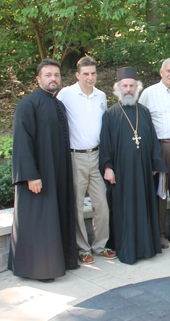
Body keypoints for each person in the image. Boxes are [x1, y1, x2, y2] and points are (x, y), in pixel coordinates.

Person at [9, 58, 79, 282]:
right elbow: (21, 143)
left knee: (56, 217)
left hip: (57, 174)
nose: (53, 79)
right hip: (39, 177)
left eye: (56, 75)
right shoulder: (27, 105)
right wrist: (31, 176)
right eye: (48, 75)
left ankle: (62, 261)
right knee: (40, 222)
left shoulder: (58, 104)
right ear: (38, 79)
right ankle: (39, 269)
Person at [99, 67, 167, 264]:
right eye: (124, 86)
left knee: (144, 205)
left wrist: (156, 162)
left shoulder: (144, 112)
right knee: (125, 208)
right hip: (122, 172)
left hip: (144, 170)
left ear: (137, 88)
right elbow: (105, 143)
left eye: (131, 85)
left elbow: (153, 140)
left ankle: (147, 247)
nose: (128, 89)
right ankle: (127, 249)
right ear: (118, 88)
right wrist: (108, 166)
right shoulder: (110, 114)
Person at [57, 56, 116, 264]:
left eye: (93, 73)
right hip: (76, 157)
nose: (90, 77)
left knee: (102, 204)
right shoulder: (66, 94)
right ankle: (83, 248)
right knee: (77, 206)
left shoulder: (101, 96)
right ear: (77, 75)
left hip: (97, 156)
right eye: (85, 74)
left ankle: (100, 245)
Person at [139, 58, 170, 248]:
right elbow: (141, 124)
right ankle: (159, 232)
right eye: (168, 71)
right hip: (159, 148)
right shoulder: (149, 93)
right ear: (161, 72)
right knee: (160, 192)